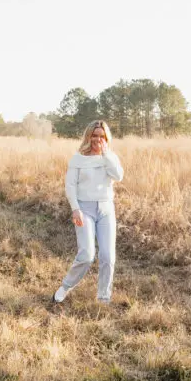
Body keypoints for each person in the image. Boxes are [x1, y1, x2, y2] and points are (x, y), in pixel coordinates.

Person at [52, 120, 124, 306]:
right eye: (94, 135)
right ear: (88, 136)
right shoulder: (78, 159)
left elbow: (118, 176)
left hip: (106, 209)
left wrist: (106, 153)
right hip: (84, 209)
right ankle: (66, 286)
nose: (97, 139)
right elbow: (70, 186)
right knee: (87, 255)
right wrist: (75, 209)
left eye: (101, 136)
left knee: (108, 256)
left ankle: (103, 297)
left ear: (106, 138)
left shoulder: (110, 157)